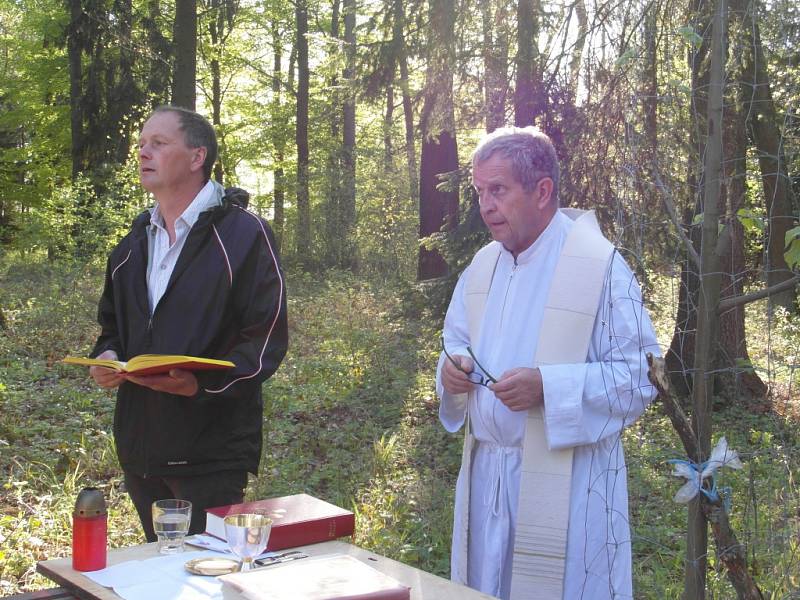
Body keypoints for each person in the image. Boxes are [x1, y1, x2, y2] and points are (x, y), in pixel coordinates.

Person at [436, 126, 659, 599]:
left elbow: (639, 376)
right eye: (480, 191)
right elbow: (455, 343)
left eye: (498, 190)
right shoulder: (481, 267)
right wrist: (452, 370)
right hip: (487, 480)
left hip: (568, 484)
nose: (485, 205)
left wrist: (549, 388)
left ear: (542, 191)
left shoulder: (599, 267)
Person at [88, 106, 288, 541]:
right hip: (141, 450)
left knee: (205, 577)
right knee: (159, 573)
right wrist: (107, 357)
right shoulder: (130, 247)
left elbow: (265, 339)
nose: (143, 152)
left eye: (158, 143)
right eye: (141, 144)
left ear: (197, 157)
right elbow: (112, 330)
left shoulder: (244, 235)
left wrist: (201, 386)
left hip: (210, 451)